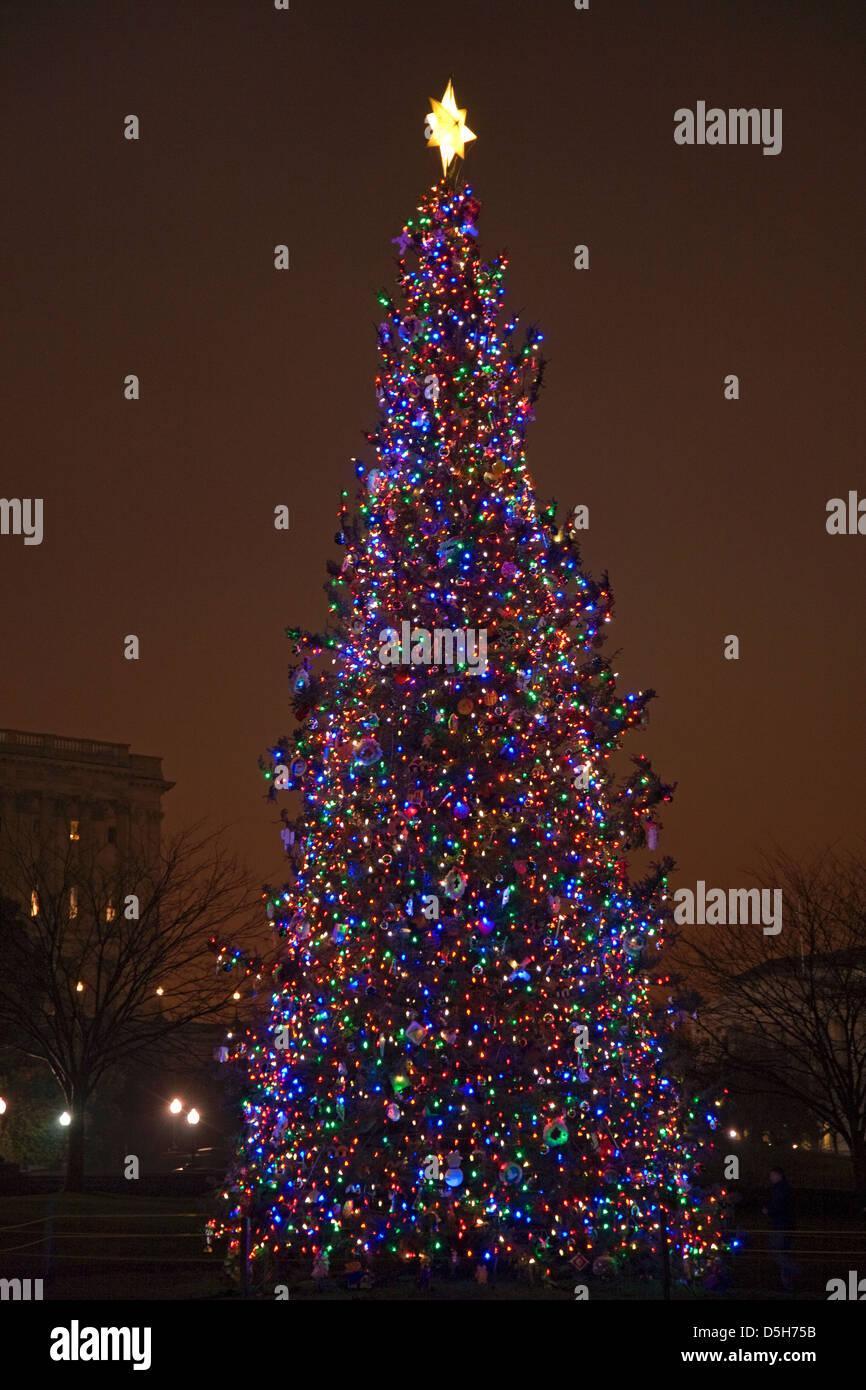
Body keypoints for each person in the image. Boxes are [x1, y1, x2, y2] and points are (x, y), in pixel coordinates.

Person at [763, 1166, 795, 1292]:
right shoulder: (783, 1188)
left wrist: (768, 1210)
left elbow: (779, 1206)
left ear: (778, 1175)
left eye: (772, 1175)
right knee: (782, 1250)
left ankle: (792, 1271)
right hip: (785, 1224)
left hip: (780, 1225)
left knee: (777, 1250)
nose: (770, 1178)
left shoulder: (780, 1189)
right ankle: (786, 1279)